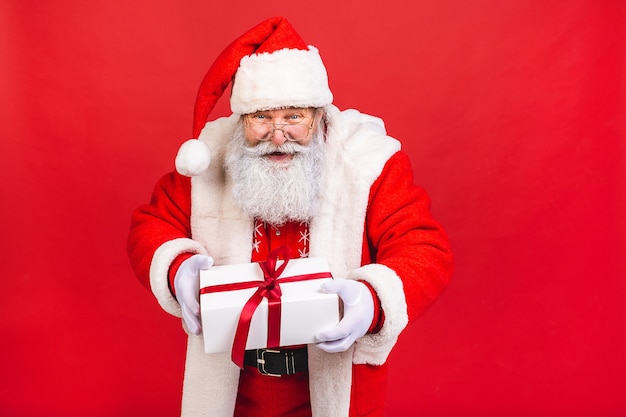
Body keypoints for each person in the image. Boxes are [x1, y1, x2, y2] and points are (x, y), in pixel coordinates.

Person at [127, 16, 453, 417]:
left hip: (334, 390)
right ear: (242, 120)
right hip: (233, 392)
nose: (277, 135)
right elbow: (151, 224)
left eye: (293, 117)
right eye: (261, 117)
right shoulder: (210, 157)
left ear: (318, 115)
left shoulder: (367, 161)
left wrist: (372, 300)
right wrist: (179, 269)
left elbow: (424, 247)